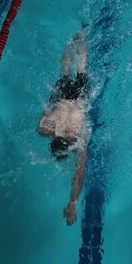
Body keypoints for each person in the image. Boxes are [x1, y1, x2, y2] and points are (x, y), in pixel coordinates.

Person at [38, 30, 90, 225]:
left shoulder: (78, 141)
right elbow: (44, 114)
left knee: (82, 70)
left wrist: (73, 202)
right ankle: (73, 41)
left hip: (79, 100)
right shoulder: (46, 130)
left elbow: (79, 174)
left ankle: (81, 40)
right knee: (66, 72)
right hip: (61, 98)